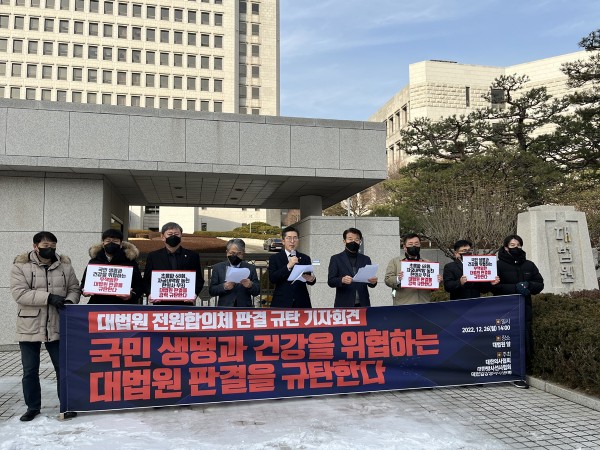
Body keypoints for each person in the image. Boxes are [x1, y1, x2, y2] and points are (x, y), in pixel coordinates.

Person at [10, 231, 80, 421]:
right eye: (45, 246)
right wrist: (49, 298)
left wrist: (70, 302)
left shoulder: (65, 265)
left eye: (53, 246)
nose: (50, 249)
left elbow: (74, 288)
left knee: (62, 368)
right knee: (30, 370)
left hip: (57, 322)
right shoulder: (21, 266)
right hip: (29, 323)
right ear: (35, 246)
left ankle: (66, 405)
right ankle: (32, 407)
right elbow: (19, 293)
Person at [492, 234, 544, 389]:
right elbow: (493, 288)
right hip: (505, 310)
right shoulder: (497, 265)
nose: (516, 248)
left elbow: (539, 284)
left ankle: (521, 373)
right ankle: (508, 373)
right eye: (512, 245)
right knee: (508, 341)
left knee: (523, 340)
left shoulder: (529, 265)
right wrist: (514, 288)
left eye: (518, 245)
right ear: (506, 247)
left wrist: (528, 285)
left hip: (524, 309)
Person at [143, 222, 204, 306]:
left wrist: (194, 294)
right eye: (170, 234)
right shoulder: (153, 256)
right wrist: (150, 293)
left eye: (176, 234)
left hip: (185, 304)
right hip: (161, 304)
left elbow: (199, 279)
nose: (173, 236)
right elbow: (146, 280)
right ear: (162, 237)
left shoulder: (192, 256)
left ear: (181, 236)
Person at [80, 229, 144, 304]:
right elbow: (84, 283)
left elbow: (139, 286)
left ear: (121, 244)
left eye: (115, 241)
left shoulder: (130, 262)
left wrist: (131, 295)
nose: (111, 243)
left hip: (123, 306)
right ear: (103, 243)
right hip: (98, 305)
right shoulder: (94, 261)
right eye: (108, 241)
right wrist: (84, 291)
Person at [384, 233, 442, 305]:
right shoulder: (395, 262)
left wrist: (436, 281)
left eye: (416, 244)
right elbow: (387, 280)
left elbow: (432, 287)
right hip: (403, 304)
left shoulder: (427, 263)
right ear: (405, 247)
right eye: (410, 244)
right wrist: (398, 279)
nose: (414, 246)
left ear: (420, 245)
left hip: (423, 303)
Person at [327, 227, 378, 307]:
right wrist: (342, 280)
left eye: (357, 239)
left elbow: (370, 283)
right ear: (344, 241)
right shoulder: (336, 259)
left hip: (363, 304)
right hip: (344, 304)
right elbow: (331, 281)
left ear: (360, 242)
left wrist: (373, 282)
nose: (353, 242)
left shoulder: (366, 259)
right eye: (350, 239)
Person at [268, 226, 316, 308]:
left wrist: (312, 279)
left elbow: (308, 279)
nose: (292, 241)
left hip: (301, 301)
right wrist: (288, 266)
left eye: (295, 238)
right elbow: (273, 278)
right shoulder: (275, 258)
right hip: (281, 301)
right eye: (289, 238)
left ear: (298, 240)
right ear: (283, 241)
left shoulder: (305, 258)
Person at [209, 238, 260, 307]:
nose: (235, 256)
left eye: (239, 253)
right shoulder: (218, 268)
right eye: (232, 253)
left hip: (244, 308)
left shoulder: (250, 268)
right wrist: (224, 287)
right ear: (227, 252)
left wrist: (251, 285)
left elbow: (257, 291)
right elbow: (212, 291)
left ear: (243, 253)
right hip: (225, 308)